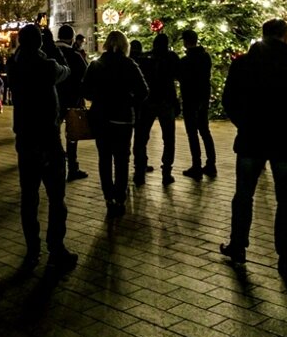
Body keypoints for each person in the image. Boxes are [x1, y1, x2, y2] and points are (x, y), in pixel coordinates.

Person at [220, 18, 287, 276]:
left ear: (262, 35)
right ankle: (286, 256)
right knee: (286, 201)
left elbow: (229, 99)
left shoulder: (243, 65)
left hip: (251, 139)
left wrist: (244, 123)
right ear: (286, 36)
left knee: (243, 196)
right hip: (286, 141)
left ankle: (238, 245)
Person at [7, 24, 76, 271]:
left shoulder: (14, 64)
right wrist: (52, 46)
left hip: (25, 138)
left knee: (29, 198)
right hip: (47, 139)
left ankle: (32, 250)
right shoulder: (46, 66)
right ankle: (56, 248)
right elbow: (66, 71)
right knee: (56, 197)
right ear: (39, 43)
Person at [82, 30, 149, 218]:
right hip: (122, 119)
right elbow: (143, 91)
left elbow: (85, 90)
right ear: (124, 45)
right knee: (121, 159)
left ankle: (108, 197)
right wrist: (129, 100)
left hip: (101, 118)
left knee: (104, 158)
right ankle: (120, 198)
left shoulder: (96, 64)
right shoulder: (129, 64)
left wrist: (100, 97)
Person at [135, 33, 180, 186]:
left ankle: (139, 171)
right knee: (169, 138)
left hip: (148, 101)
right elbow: (178, 75)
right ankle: (166, 172)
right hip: (166, 101)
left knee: (141, 137)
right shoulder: (172, 57)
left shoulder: (145, 58)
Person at [179, 30, 216, 179]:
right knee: (205, 131)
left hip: (190, 100)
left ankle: (196, 165)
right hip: (203, 98)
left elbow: (182, 78)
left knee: (192, 133)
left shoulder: (186, 61)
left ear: (186, 42)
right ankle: (211, 163)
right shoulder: (205, 57)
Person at [55, 24, 89, 182]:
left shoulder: (50, 52)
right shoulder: (74, 55)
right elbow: (86, 74)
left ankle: (53, 162)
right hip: (71, 99)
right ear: (71, 37)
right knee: (72, 134)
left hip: (53, 99)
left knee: (53, 131)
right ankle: (72, 168)